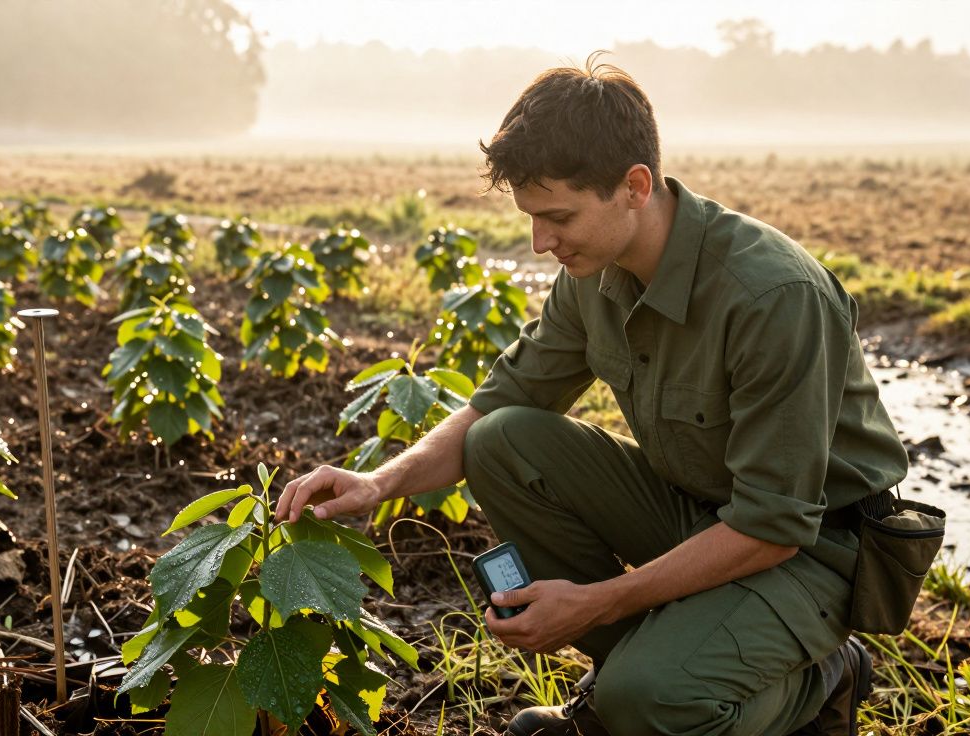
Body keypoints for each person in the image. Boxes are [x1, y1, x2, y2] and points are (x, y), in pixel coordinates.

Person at [275, 52, 909, 736]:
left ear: (634, 186)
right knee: (502, 442)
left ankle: (819, 679)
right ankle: (636, 685)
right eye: (531, 217)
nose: (540, 241)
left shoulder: (772, 297)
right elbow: (496, 404)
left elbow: (773, 526)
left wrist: (598, 602)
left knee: (651, 698)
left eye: (559, 217)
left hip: (810, 551)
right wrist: (377, 483)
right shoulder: (592, 275)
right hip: (701, 512)